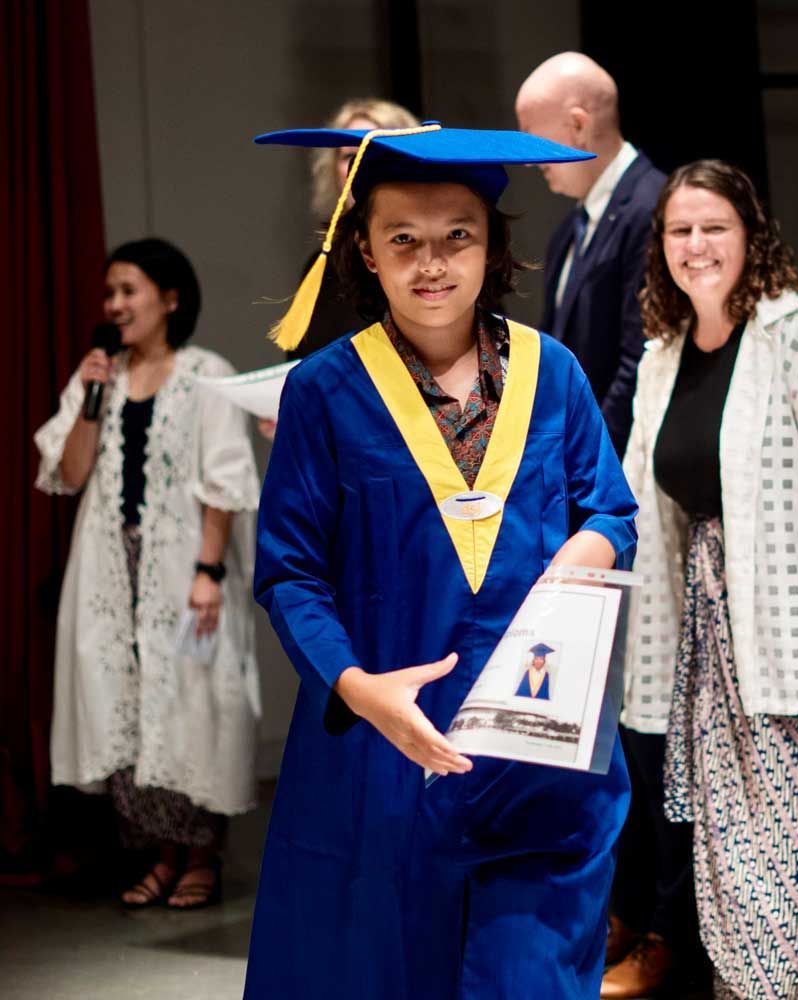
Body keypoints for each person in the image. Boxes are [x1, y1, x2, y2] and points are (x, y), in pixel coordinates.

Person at [244, 122, 638, 999]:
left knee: (525, 975)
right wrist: (355, 686)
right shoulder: (323, 392)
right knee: (386, 970)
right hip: (383, 754)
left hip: (533, 746)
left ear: (492, 245)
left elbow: (611, 507)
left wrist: (587, 546)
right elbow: (290, 572)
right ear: (366, 253)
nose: (433, 262)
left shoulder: (556, 372)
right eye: (404, 240)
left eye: (458, 234)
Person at [34, 238, 261, 909]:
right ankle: (161, 855)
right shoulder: (96, 376)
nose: (115, 305)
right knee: (129, 705)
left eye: (128, 290)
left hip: (183, 566)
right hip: (111, 568)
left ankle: (201, 855)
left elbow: (223, 482)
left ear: (170, 298)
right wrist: (91, 396)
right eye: (109, 294)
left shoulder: (205, 375)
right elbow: (70, 474)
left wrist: (208, 571)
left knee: (192, 700)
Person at [621, 160, 798, 999]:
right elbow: (629, 497)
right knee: (729, 834)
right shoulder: (661, 357)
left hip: (780, 617)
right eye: (679, 230)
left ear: (749, 235)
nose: (696, 245)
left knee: (782, 827)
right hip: (702, 619)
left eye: (714, 227)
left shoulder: (788, 331)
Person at [515, 52, 665, 458]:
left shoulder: (654, 207)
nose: (530, 159)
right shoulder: (568, 229)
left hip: (617, 464)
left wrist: (589, 462)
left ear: (578, 125)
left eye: (533, 137)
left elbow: (639, 361)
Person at [257, 98, 419, 442]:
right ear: (333, 170)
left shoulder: (432, 257)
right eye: (349, 155)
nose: (362, 163)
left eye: (376, 149)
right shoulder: (321, 265)